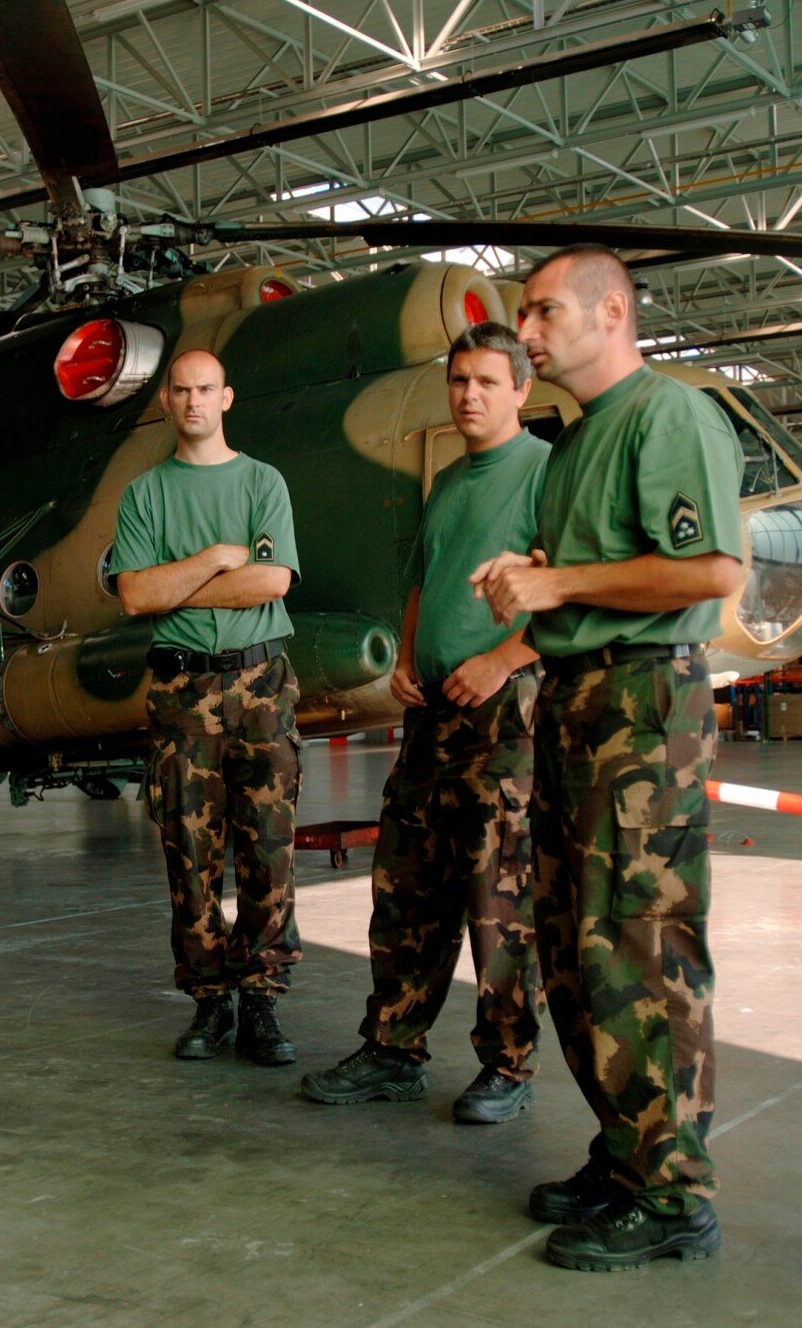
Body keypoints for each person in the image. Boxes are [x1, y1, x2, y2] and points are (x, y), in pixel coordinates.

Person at [472, 246, 744, 1272]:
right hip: (578, 702)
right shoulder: (576, 444)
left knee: (640, 945)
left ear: (611, 310)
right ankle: (626, 1152)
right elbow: (583, 576)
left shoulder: (664, 415)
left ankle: (673, 1192)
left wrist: (556, 586)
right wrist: (532, 580)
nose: (527, 333)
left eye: (541, 312)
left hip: (641, 699)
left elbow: (710, 568)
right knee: (576, 946)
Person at [299, 321, 546, 1123]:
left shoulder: (548, 474)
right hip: (432, 711)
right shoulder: (448, 482)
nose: (469, 396)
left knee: (495, 892)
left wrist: (504, 658)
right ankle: (393, 1046)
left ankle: (507, 1064)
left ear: (521, 390)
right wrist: (406, 658)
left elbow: (573, 589)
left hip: (505, 712)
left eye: (485, 382)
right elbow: (422, 580)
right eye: (459, 381)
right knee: (406, 885)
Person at [115, 348, 304, 1066]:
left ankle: (262, 1000)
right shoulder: (145, 495)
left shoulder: (263, 482)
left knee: (269, 847)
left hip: (261, 685)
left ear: (227, 397)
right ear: (166, 401)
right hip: (181, 691)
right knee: (189, 855)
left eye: (205, 389)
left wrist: (177, 585)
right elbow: (134, 596)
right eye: (180, 390)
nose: (193, 401)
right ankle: (209, 1002)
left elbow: (272, 580)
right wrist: (217, 558)